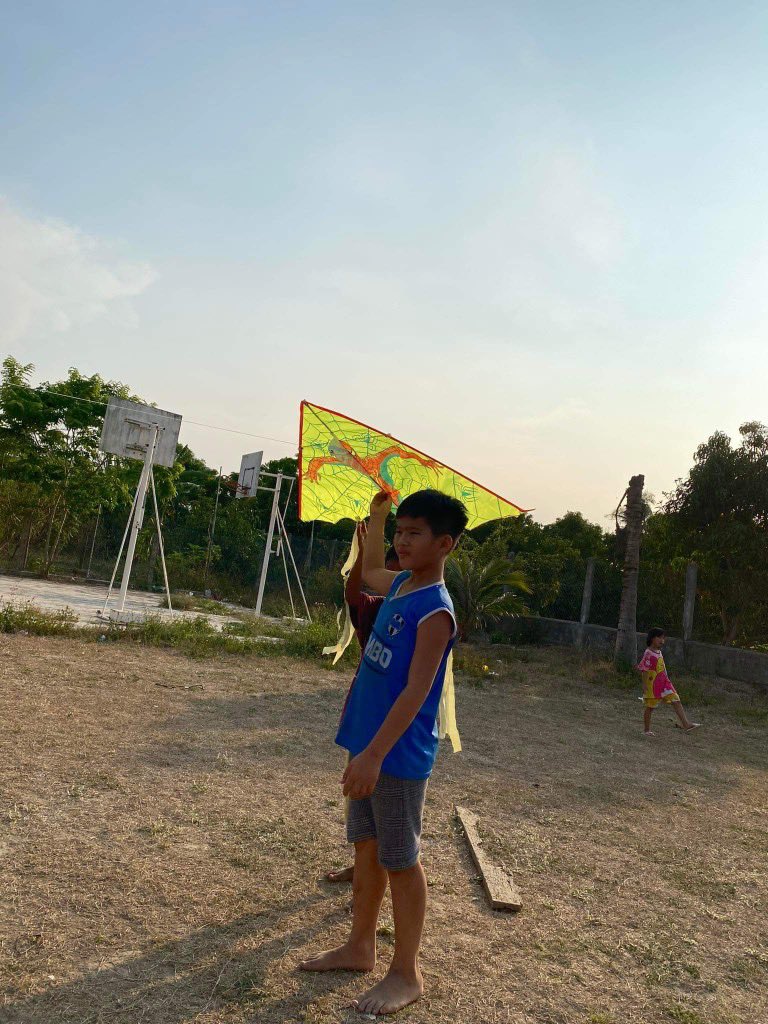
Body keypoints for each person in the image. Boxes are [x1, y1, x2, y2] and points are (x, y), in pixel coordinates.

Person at [301, 488, 467, 1017]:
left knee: (401, 859)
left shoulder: (434, 611)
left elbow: (417, 692)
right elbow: (370, 567)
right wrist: (375, 518)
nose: (402, 540)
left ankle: (407, 972)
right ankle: (360, 946)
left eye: (414, 533)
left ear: (445, 544)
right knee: (367, 847)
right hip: (369, 746)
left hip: (394, 756)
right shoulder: (398, 584)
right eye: (400, 531)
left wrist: (373, 755)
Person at [326, 521, 401, 885]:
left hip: (395, 728)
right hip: (364, 718)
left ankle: (382, 871)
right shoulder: (376, 610)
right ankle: (363, 868)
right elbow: (353, 593)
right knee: (359, 800)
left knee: (389, 807)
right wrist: (361, 554)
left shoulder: (423, 616)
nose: (398, 577)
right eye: (391, 569)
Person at [636, 628, 701, 736]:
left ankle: (686, 724)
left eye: (663, 638)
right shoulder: (648, 653)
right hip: (654, 685)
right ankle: (646, 730)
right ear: (652, 638)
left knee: (676, 699)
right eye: (659, 638)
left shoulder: (659, 652)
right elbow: (644, 669)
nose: (662, 640)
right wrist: (644, 685)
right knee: (650, 707)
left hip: (665, 683)